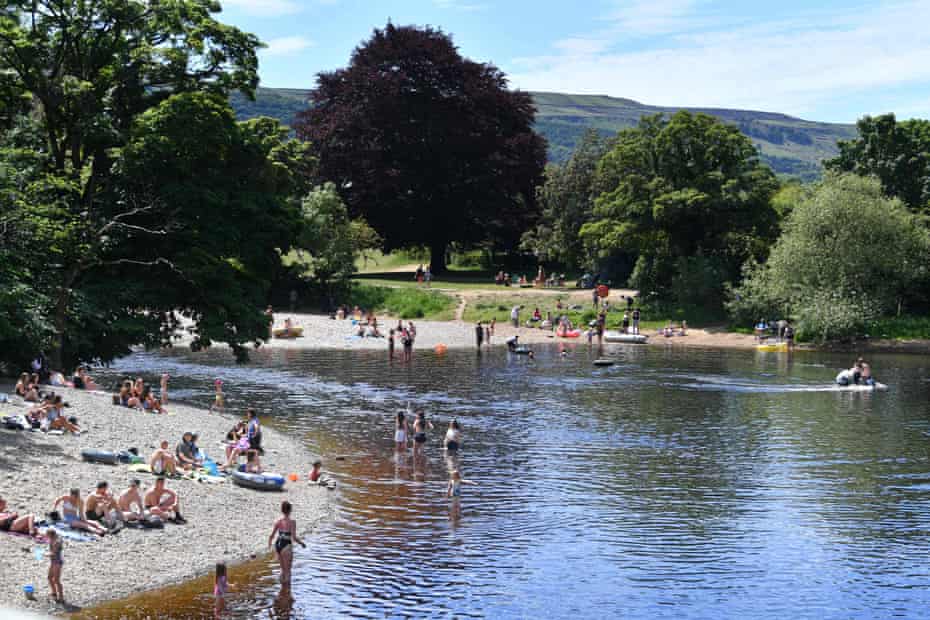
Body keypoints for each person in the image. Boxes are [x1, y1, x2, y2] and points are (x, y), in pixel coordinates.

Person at [268, 501, 305, 587]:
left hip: (278, 545)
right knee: (288, 571)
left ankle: (281, 590)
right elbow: (294, 538)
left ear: (282, 510)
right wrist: (302, 543)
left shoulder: (279, 521)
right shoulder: (292, 522)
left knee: (283, 570)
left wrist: (270, 546)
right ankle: (287, 593)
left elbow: (271, 536)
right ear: (290, 510)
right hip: (286, 545)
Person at [47, 528, 64, 604]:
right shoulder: (53, 539)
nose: (46, 536)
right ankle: (54, 593)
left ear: (50, 535)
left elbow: (53, 553)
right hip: (53, 562)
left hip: (57, 563)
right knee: (49, 577)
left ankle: (61, 597)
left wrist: (43, 554)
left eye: (47, 535)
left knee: (56, 580)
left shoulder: (57, 542)